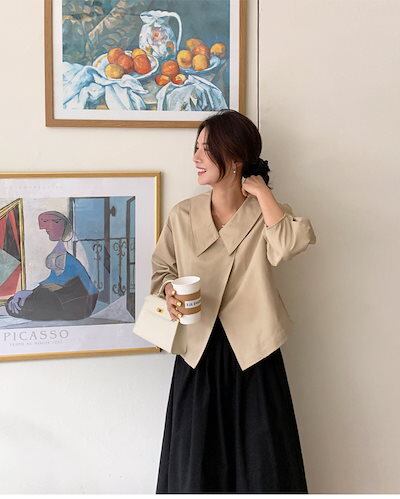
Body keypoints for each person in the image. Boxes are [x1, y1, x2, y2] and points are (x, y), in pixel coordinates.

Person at [151, 109, 316, 493]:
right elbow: (162, 271)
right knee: (195, 466)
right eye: (196, 147)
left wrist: (263, 192)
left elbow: (287, 247)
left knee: (262, 468)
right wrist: (169, 292)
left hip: (254, 352)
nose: (196, 157)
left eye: (206, 148)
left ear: (235, 156)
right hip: (198, 353)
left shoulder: (267, 212)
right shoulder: (183, 214)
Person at [6, 211, 98, 321]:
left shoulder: (73, 247)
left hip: (79, 299)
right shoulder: (61, 245)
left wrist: (31, 293)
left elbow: (62, 281)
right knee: (13, 302)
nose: (46, 231)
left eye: (47, 227)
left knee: (34, 301)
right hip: (62, 292)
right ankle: (23, 305)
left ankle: (26, 306)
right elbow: (54, 278)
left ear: (59, 224)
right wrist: (29, 292)